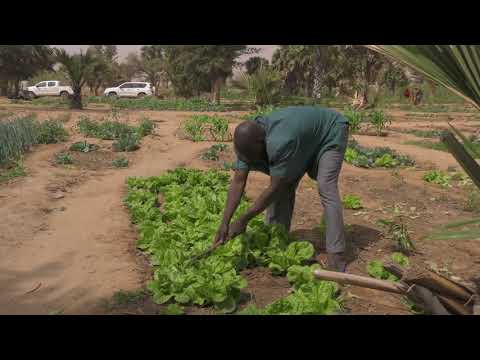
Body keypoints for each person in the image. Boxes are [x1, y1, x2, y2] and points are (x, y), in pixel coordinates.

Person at [213, 106, 350, 272]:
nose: (249, 160)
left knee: (325, 185)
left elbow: (276, 187)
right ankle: (276, 239)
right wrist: (225, 223)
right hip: (303, 139)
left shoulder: (280, 141)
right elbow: (238, 182)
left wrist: (243, 219)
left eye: (252, 156)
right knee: (285, 183)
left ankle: (337, 254)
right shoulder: (245, 145)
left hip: (330, 132)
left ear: (262, 142)